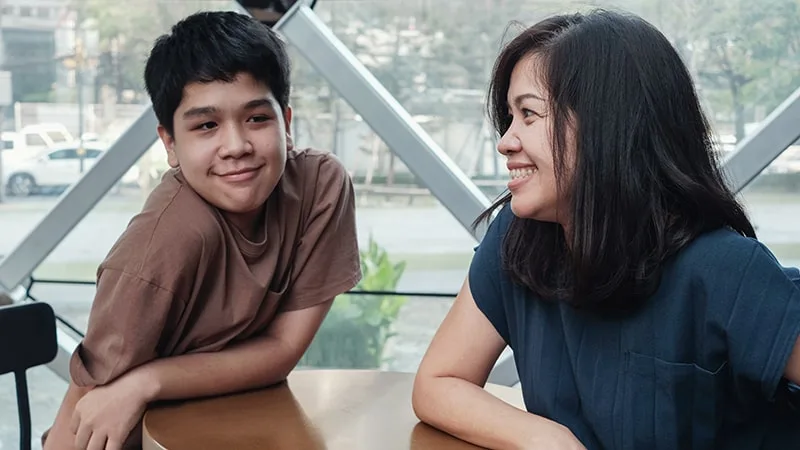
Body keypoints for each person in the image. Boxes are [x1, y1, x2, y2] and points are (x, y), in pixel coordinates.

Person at [412, 9, 800, 450]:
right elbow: (438, 381)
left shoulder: (726, 269)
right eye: (509, 117)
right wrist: (547, 439)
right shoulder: (518, 241)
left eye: (529, 114)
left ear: (604, 125)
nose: (505, 141)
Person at [44, 11, 361, 450]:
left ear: (286, 123)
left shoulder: (320, 186)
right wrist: (131, 389)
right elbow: (85, 407)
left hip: (245, 428)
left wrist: (147, 381)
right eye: (206, 126)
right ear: (170, 144)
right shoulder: (165, 242)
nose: (236, 147)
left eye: (256, 118)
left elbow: (283, 350)